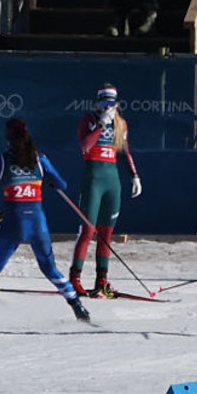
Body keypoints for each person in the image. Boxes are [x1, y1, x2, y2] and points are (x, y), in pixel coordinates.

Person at [0, 119, 90, 328]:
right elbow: (62, 184)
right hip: (37, 223)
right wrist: (51, 182)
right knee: (50, 270)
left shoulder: (1, 160)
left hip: (13, 223)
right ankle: (78, 308)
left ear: (8, 137)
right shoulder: (40, 159)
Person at [69, 84, 142, 297]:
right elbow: (85, 146)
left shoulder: (121, 124)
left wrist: (134, 175)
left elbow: (125, 151)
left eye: (111, 103)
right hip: (93, 179)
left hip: (112, 180)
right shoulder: (89, 120)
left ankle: (102, 279)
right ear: (97, 102)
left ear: (117, 104)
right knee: (87, 230)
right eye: (103, 103)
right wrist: (100, 124)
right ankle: (75, 278)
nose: (107, 107)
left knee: (106, 233)